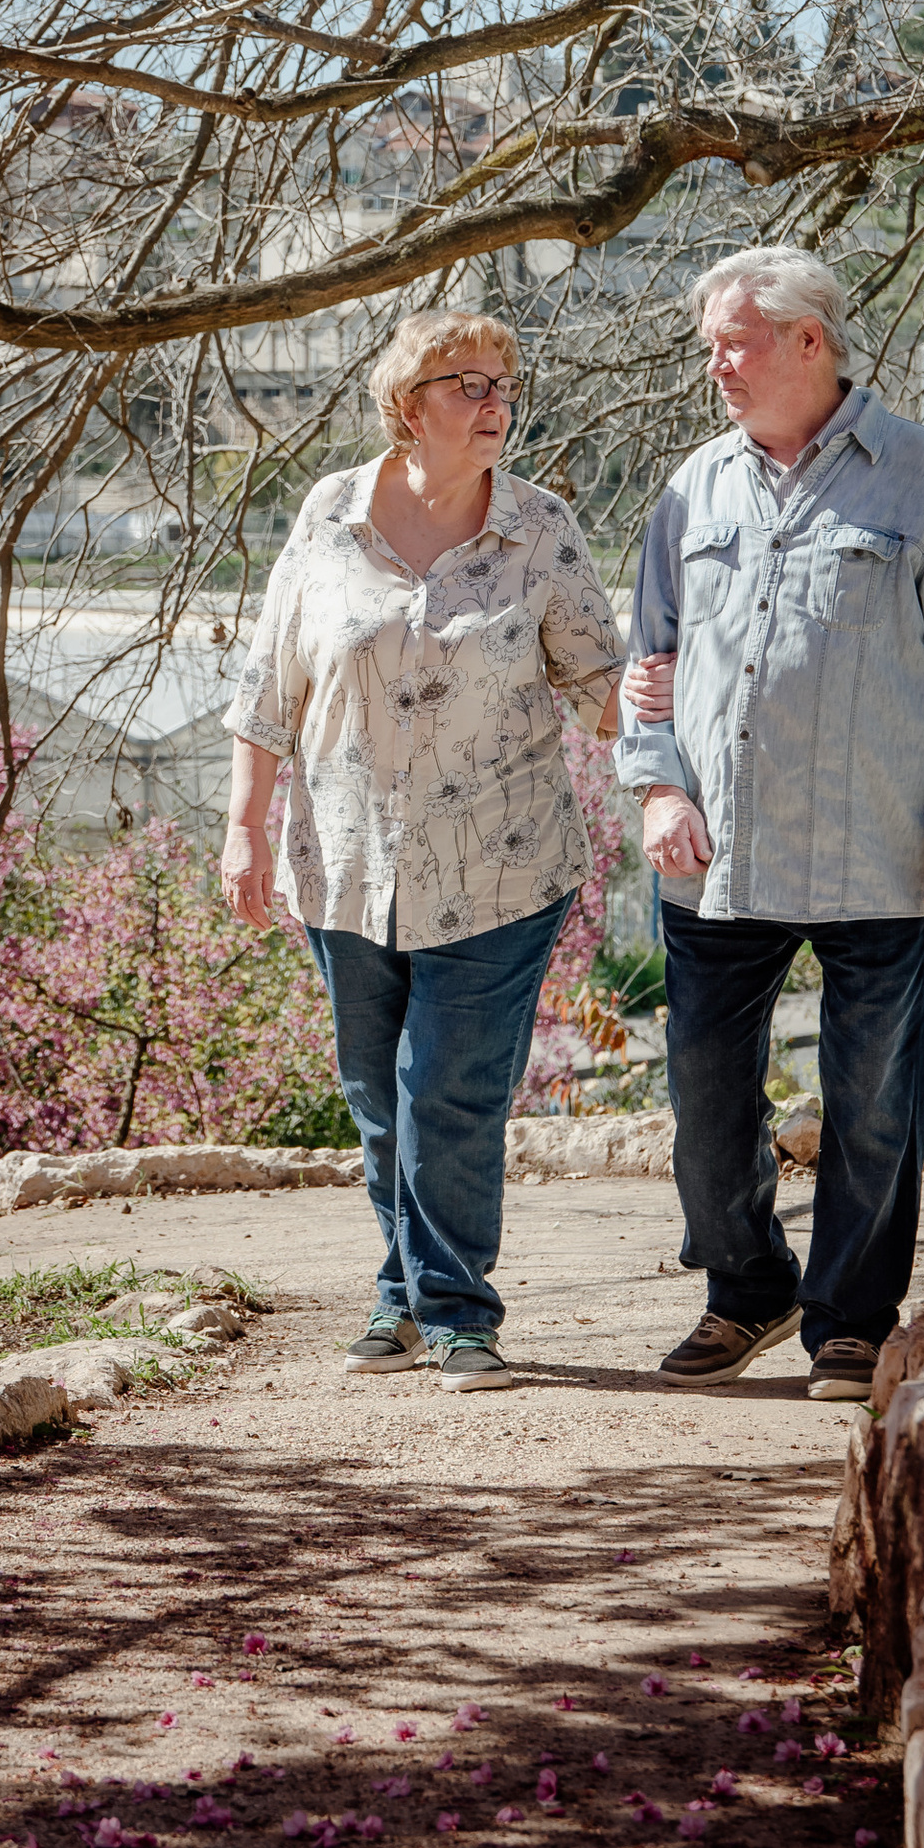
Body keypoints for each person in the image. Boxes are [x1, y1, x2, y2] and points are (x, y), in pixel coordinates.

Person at [614, 245, 924, 1401]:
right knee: (701, 1099)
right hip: (715, 854)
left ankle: (849, 1318)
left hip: (882, 849)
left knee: (875, 1103)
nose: (716, 367)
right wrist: (654, 788)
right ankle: (745, 1288)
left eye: (733, 343)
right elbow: (651, 660)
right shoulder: (691, 488)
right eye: (709, 348)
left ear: (809, 341)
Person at [221, 309, 646, 1394]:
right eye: (467, 383)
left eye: (505, 381)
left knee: (445, 1088)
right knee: (377, 1093)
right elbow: (269, 681)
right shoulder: (329, 514)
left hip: (501, 864)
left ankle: (457, 1312)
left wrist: (671, 711)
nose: (495, 400)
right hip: (346, 860)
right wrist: (242, 829)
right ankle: (401, 1293)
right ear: (408, 408)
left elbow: (603, 685)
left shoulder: (540, 527)